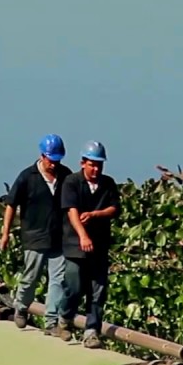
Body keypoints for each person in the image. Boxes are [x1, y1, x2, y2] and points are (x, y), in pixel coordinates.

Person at [0, 134, 73, 331]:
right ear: (42, 156)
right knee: (30, 278)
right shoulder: (27, 177)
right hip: (34, 237)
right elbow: (11, 204)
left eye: (57, 160)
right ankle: (21, 307)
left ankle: (51, 321)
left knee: (58, 280)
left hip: (59, 238)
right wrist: (5, 233)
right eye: (51, 160)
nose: (54, 165)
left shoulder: (66, 175)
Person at [59, 140, 121, 348]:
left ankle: (92, 330)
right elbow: (71, 211)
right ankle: (65, 317)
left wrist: (96, 214)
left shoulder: (108, 184)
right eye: (92, 164)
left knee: (98, 291)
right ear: (83, 163)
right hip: (75, 245)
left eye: (99, 165)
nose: (95, 169)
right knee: (74, 286)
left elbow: (114, 209)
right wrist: (83, 236)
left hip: (100, 246)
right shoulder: (71, 182)